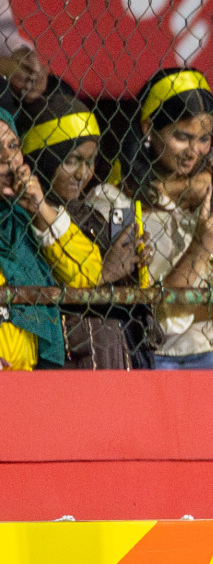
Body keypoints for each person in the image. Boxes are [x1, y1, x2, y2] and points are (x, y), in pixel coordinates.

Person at [87, 67, 213, 369]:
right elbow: (153, 315)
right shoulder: (116, 200)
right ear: (148, 128)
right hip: (162, 358)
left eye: (204, 138)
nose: (194, 151)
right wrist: (201, 245)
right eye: (182, 137)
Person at [18, 93, 135, 368]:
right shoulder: (25, 218)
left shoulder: (90, 215)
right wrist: (105, 274)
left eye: (91, 161)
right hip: (61, 361)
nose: (83, 174)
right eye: (71, 160)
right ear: (45, 158)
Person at [0, 106, 102, 370]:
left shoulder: (21, 218)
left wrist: (41, 210)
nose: (7, 158)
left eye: (12, 145)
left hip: (33, 374)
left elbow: (87, 275)